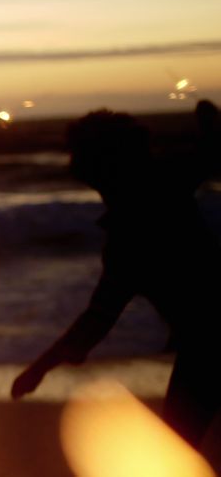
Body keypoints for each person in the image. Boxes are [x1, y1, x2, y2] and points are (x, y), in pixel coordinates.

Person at [11, 102, 221, 449]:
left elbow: (96, 320)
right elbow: (209, 153)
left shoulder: (129, 236)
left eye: (78, 153)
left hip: (206, 347)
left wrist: (40, 368)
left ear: (99, 166)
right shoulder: (164, 185)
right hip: (201, 346)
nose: (71, 162)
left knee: (177, 449)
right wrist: (209, 126)